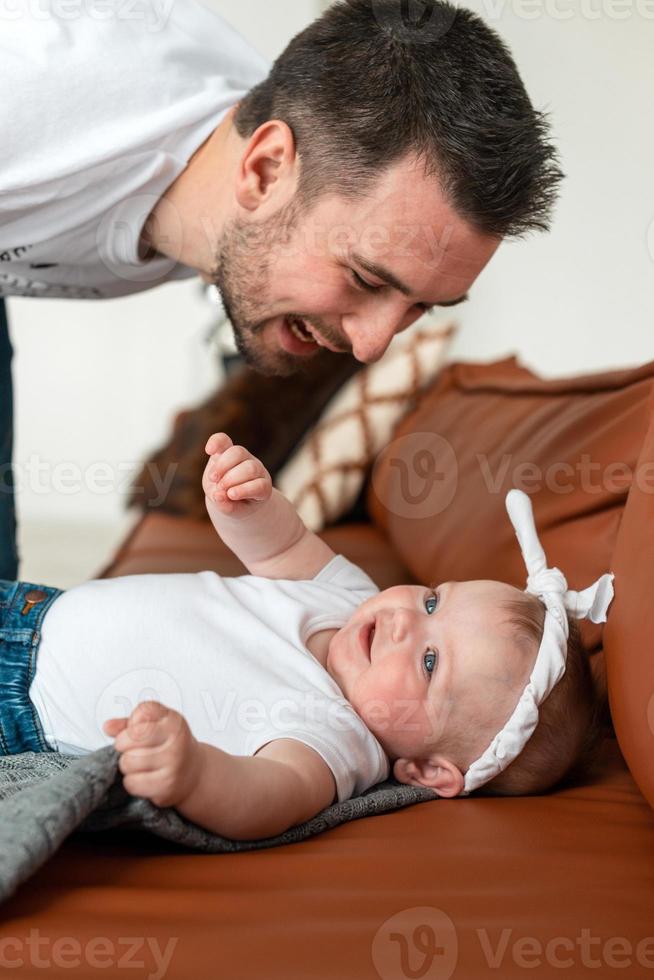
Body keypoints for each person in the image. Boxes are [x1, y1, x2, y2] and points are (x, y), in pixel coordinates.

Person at [0, 0, 564, 579]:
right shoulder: (30, 99)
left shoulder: (265, 162)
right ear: (265, 170)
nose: (373, 346)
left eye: (419, 305)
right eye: (366, 278)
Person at [0, 434, 613, 841]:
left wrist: (192, 772)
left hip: (23, 708)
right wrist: (249, 504)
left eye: (429, 662)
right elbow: (285, 545)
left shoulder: (335, 742)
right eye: (431, 600)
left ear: (427, 768)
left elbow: (265, 796)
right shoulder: (347, 598)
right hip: (34, 608)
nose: (403, 620)